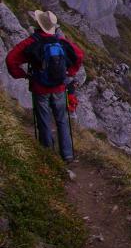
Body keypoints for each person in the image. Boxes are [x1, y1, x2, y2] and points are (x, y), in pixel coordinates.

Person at [5, 10, 84, 162]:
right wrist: (70, 73)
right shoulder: (61, 41)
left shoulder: (32, 42)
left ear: (39, 24)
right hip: (60, 88)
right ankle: (67, 155)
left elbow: (11, 59)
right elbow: (79, 55)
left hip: (39, 88)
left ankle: (48, 156)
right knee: (62, 120)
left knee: (44, 120)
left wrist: (22, 74)